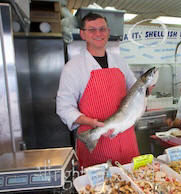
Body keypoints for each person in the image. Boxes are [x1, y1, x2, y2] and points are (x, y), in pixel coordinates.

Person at [56, 13, 140, 168]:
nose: (98, 34)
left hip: (126, 137)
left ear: (108, 32)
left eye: (102, 29)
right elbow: (64, 108)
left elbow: (134, 89)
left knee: (133, 185)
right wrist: (91, 122)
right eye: (92, 30)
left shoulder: (120, 62)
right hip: (94, 141)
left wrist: (145, 88)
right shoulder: (73, 68)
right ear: (83, 34)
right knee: (101, 189)